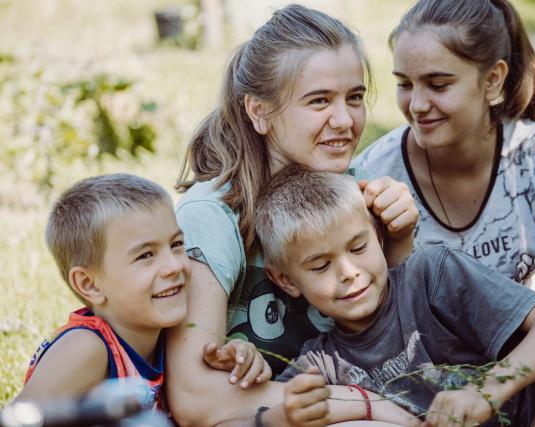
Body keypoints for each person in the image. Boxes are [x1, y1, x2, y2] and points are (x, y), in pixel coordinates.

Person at [352, 0, 535, 367]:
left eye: (438, 84)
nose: (418, 104)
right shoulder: (373, 175)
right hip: (436, 375)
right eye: (405, 84)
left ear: (492, 80)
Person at [168, 4, 419, 425]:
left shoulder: (357, 190)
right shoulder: (212, 216)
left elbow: (409, 347)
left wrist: (398, 240)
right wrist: (367, 403)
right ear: (259, 111)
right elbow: (196, 400)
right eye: (319, 100)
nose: (345, 120)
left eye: (354, 98)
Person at [257, 165, 535, 427]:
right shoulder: (322, 363)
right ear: (286, 281)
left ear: (377, 233)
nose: (348, 272)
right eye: (320, 266)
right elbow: (262, 415)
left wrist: (488, 391)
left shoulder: (432, 274)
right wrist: (282, 416)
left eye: (358, 248)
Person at [13, 174, 267, 409]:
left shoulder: (168, 341)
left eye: (177, 244)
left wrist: (234, 363)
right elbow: (20, 418)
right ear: (90, 284)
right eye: (145, 255)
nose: (174, 265)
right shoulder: (86, 349)